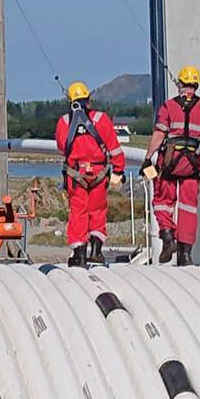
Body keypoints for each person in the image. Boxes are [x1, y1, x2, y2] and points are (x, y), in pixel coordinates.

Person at [140, 65, 200, 266]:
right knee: (188, 208)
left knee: (162, 201)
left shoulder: (169, 107)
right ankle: (185, 255)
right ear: (196, 84)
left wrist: (148, 157)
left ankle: (168, 237)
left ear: (180, 83)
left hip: (169, 164)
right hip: (194, 166)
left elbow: (159, 134)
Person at [56, 81, 126, 266]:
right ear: (88, 100)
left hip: (76, 174)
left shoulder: (64, 122)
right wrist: (119, 169)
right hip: (99, 173)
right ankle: (96, 251)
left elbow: (62, 147)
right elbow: (114, 148)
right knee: (97, 211)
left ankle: (79, 254)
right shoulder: (101, 119)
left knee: (78, 213)